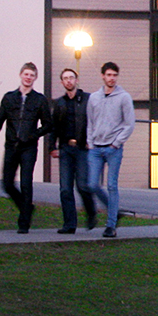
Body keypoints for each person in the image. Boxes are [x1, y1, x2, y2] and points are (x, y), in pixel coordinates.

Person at [0, 62, 52, 233]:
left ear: (35, 78)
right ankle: (26, 207)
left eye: (31, 75)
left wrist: (33, 135)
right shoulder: (9, 98)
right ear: (21, 75)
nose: (28, 77)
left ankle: (24, 223)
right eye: (26, 74)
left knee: (26, 183)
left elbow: (48, 124)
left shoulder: (40, 100)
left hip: (29, 148)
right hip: (11, 146)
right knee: (7, 184)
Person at [85, 61, 134, 238]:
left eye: (114, 75)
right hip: (95, 149)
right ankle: (114, 210)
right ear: (103, 76)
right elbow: (90, 122)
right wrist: (90, 142)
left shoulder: (124, 97)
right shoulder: (94, 98)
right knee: (92, 184)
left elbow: (129, 124)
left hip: (113, 149)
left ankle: (111, 225)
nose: (112, 78)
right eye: (109, 75)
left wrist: (116, 143)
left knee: (112, 185)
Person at [48, 67, 95, 234]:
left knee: (82, 185)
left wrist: (92, 141)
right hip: (65, 149)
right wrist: (52, 147)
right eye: (65, 78)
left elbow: (95, 120)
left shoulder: (88, 99)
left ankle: (91, 213)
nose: (69, 81)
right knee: (65, 189)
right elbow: (53, 127)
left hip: (82, 148)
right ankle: (69, 224)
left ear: (77, 80)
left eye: (71, 77)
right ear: (62, 82)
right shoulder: (59, 103)